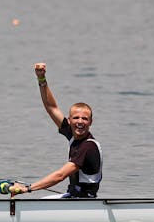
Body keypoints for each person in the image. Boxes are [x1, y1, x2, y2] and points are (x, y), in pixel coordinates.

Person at [7, 63, 102, 198]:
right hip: (73, 196)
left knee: (35, 200)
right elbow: (51, 107)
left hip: (84, 201)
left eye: (85, 119)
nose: (80, 122)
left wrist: (27, 189)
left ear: (91, 122)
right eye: (76, 118)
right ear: (69, 121)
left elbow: (60, 175)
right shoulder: (73, 135)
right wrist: (41, 79)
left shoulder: (88, 146)